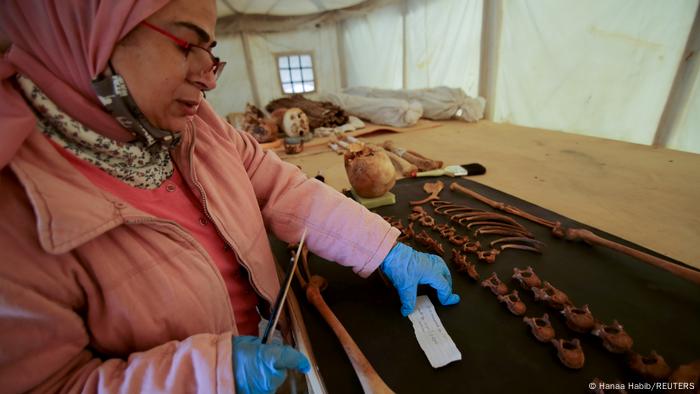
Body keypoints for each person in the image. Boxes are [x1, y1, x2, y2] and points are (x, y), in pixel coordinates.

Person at [0, 1, 460, 393]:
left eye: (211, 52)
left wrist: (382, 249)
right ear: (86, 33)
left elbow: (280, 185)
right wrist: (212, 375)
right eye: (186, 45)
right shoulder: (12, 209)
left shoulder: (197, 125)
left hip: (282, 338)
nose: (210, 78)